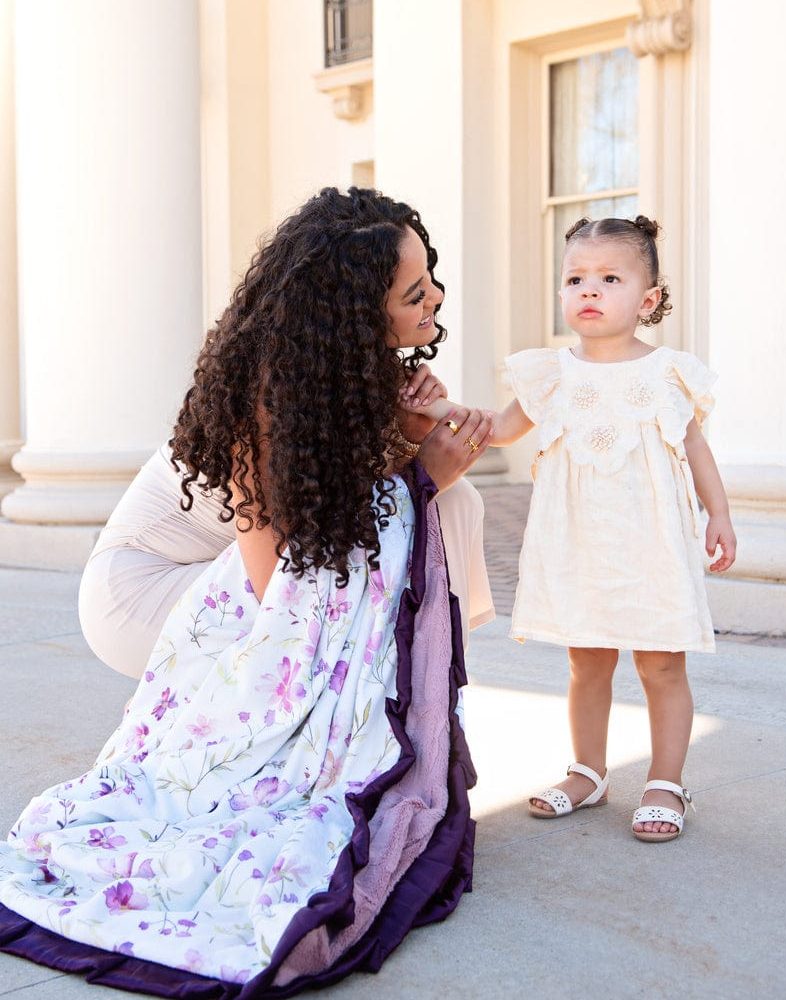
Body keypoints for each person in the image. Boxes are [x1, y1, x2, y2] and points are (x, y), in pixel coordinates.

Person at [0, 187, 494, 995]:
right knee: (423, 511)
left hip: (230, 567)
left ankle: (415, 703)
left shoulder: (346, 368)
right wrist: (418, 476)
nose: (436, 297)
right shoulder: (268, 395)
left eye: (430, 277)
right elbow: (275, 582)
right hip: (140, 590)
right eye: (415, 292)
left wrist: (407, 447)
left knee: (445, 504)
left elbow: (334, 515)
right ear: (356, 312)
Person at [410, 215, 736, 844]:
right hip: (581, 544)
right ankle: (589, 771)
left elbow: (695, 447)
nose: (589, 289)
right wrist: (437, 408)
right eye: (576, 278)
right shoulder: (551, 373)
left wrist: (717, 514)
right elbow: (499, 430)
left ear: (648, 300)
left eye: (610, 278)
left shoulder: (668, 372)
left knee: (661, 665)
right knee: (587, 662)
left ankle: (666, 781)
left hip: (652, 545)